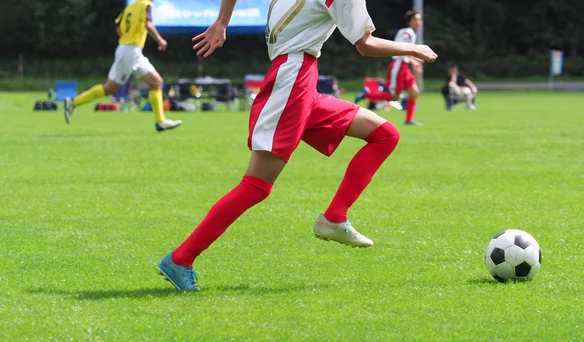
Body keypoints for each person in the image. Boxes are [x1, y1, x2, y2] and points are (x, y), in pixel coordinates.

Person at [157, 0, 437, 291]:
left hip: (301, 79)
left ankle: (334, 218)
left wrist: (223, 22)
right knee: (256, 185)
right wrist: (414, 48)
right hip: (293, 79)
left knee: (385, 134)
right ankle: (181, 258)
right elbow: (364, 45)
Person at [64, 0, 182, 132]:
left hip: (123, 49)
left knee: (109, 88)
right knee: (156, 82)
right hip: (132, 51)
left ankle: (73, 102)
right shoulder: (146, 5)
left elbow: (119, 29)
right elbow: (148, 24)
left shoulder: (130, 7)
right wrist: (160, 40)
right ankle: (160, 121)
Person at [355, 9, 424, 126]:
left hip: (404, 65)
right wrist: (414, 61)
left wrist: (413, 60)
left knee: (414, 92)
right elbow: (402, 49)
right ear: (409, 22)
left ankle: (409, 120)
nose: (418, 22)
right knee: (394, 97)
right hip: (398, 66)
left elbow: (405, 51)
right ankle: (366, 94)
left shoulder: (408, 32)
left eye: (420, 19)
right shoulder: (408, 33)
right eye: (415, 19)